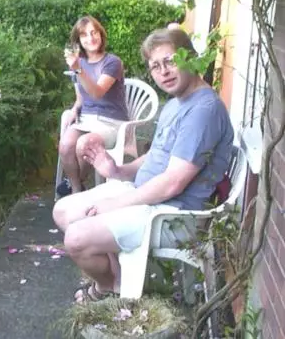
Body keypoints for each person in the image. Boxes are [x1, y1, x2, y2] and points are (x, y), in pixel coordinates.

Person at [52, 28, 234, 304]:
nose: (163, 72)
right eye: (155, 66)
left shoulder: (203, 111)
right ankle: (119, 280)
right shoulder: (177, 102)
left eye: (170, 61)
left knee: (76, 238)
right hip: (147, 195)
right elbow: (154, 157)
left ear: (191, 58)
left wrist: (117, 203)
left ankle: (109, 287)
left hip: (171, 214)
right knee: (63, 210)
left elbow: (173, 182)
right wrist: (117, 171)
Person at [57, 16, 129, 196]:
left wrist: (78, 70)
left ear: (100, 34)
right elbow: (81, 98)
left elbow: (97, 93)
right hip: (87, 119)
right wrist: (74, 109)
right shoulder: (78, 62)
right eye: (84, 35)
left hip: (111, 122)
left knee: (84, 144)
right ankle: (76, 190)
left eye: (94, 32)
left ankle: (76, 187)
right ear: (78, 41)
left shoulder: (112, 62)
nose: (90, 38)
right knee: (65, 145)